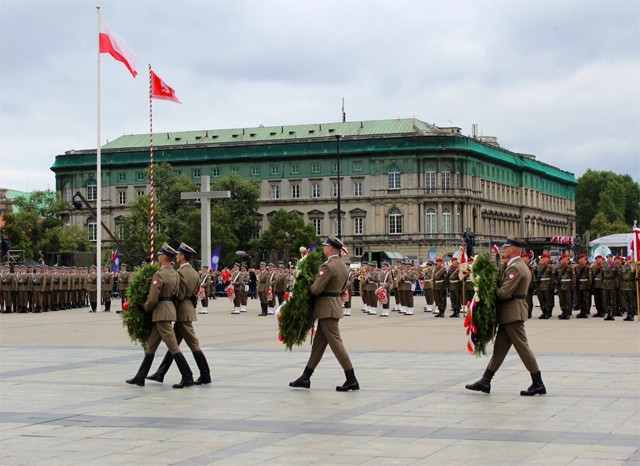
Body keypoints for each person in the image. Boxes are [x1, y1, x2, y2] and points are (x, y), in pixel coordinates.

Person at [465, 236, 546, 396]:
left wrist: (485, 285)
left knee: (523, 348)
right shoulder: (517, 265)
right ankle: (485, 381)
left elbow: (503, 293)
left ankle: (538, 383)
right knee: (500, 349)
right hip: (510, 313)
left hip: (512, 313)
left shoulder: (515, 268)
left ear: (514, 249)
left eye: (507, 247)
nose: (504, 250)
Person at [289, 235, 359, 392]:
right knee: (319, 345)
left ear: (331, 248)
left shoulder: (328, 266)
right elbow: (341, 288)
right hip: (332, 306)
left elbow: (316, 289)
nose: (323, 248)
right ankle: (306, 377)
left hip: (327, 309)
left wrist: (303, 285)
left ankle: (351, 378)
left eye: (325, 246)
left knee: (336, 344)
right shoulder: (342, 265)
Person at [125, 243, 194, 389]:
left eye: (159, 255)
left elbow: (153, 297)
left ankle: (187, 376)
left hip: (161, 312)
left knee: (173, 346)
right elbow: (178, 293)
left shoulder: (159, 275)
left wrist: (145, 307)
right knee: (151, 345)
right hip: (169, 310)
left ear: (163, 257)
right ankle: (140, 376)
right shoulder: (175, 273)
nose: (158, 257)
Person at [146, 243, 211, 385]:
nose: (177, 256)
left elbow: (178, 294)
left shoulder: (180, 273)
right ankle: (161, 372)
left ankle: (204, 374)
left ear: (182, 256)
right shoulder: (195, 272)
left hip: (181, 311)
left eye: (179, 254)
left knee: (191, 343)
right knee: (173, 343)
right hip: (189, 309)